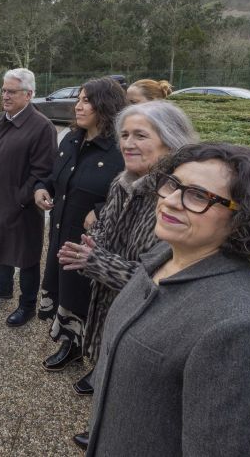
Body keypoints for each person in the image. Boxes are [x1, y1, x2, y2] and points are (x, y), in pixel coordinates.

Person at [79, 143, 250, 456]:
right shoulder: (160, 260)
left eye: (198, 195)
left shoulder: (243, 332)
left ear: (244, 218)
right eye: (172, 184)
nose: (170, 201)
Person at [59, 101, 198, 406]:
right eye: (124, 135)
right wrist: (91, 244)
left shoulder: (177, 199)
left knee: (134, 393)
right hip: (111, 304)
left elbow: (164, 278)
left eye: (140, 136)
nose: (128, 144)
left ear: (170, 140)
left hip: (147, 323)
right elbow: (104, 228)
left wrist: (95, 261)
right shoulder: (122, 183)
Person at [35, 78, 126, 371]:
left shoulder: (120, 150)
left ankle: (100, 360)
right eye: (79, 99)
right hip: (63, 233)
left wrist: (100, 209)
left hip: (94, 245)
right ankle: (72, 345)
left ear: (106, 106)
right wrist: (41, 187)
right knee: (68, 291)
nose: (78, 105)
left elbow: (134, 193)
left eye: (86, 100)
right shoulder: (71, 139)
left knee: (90, 299)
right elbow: (55, 175)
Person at [0, 68, 57, 326]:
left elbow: (42, 171)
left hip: (22, 207)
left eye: (12, 91)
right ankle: (3, 287)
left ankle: (27, 304)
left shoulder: (42, 127)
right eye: (4, 90)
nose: (5, 95)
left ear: (29, 94)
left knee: (26, 256)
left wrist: (19, 199)